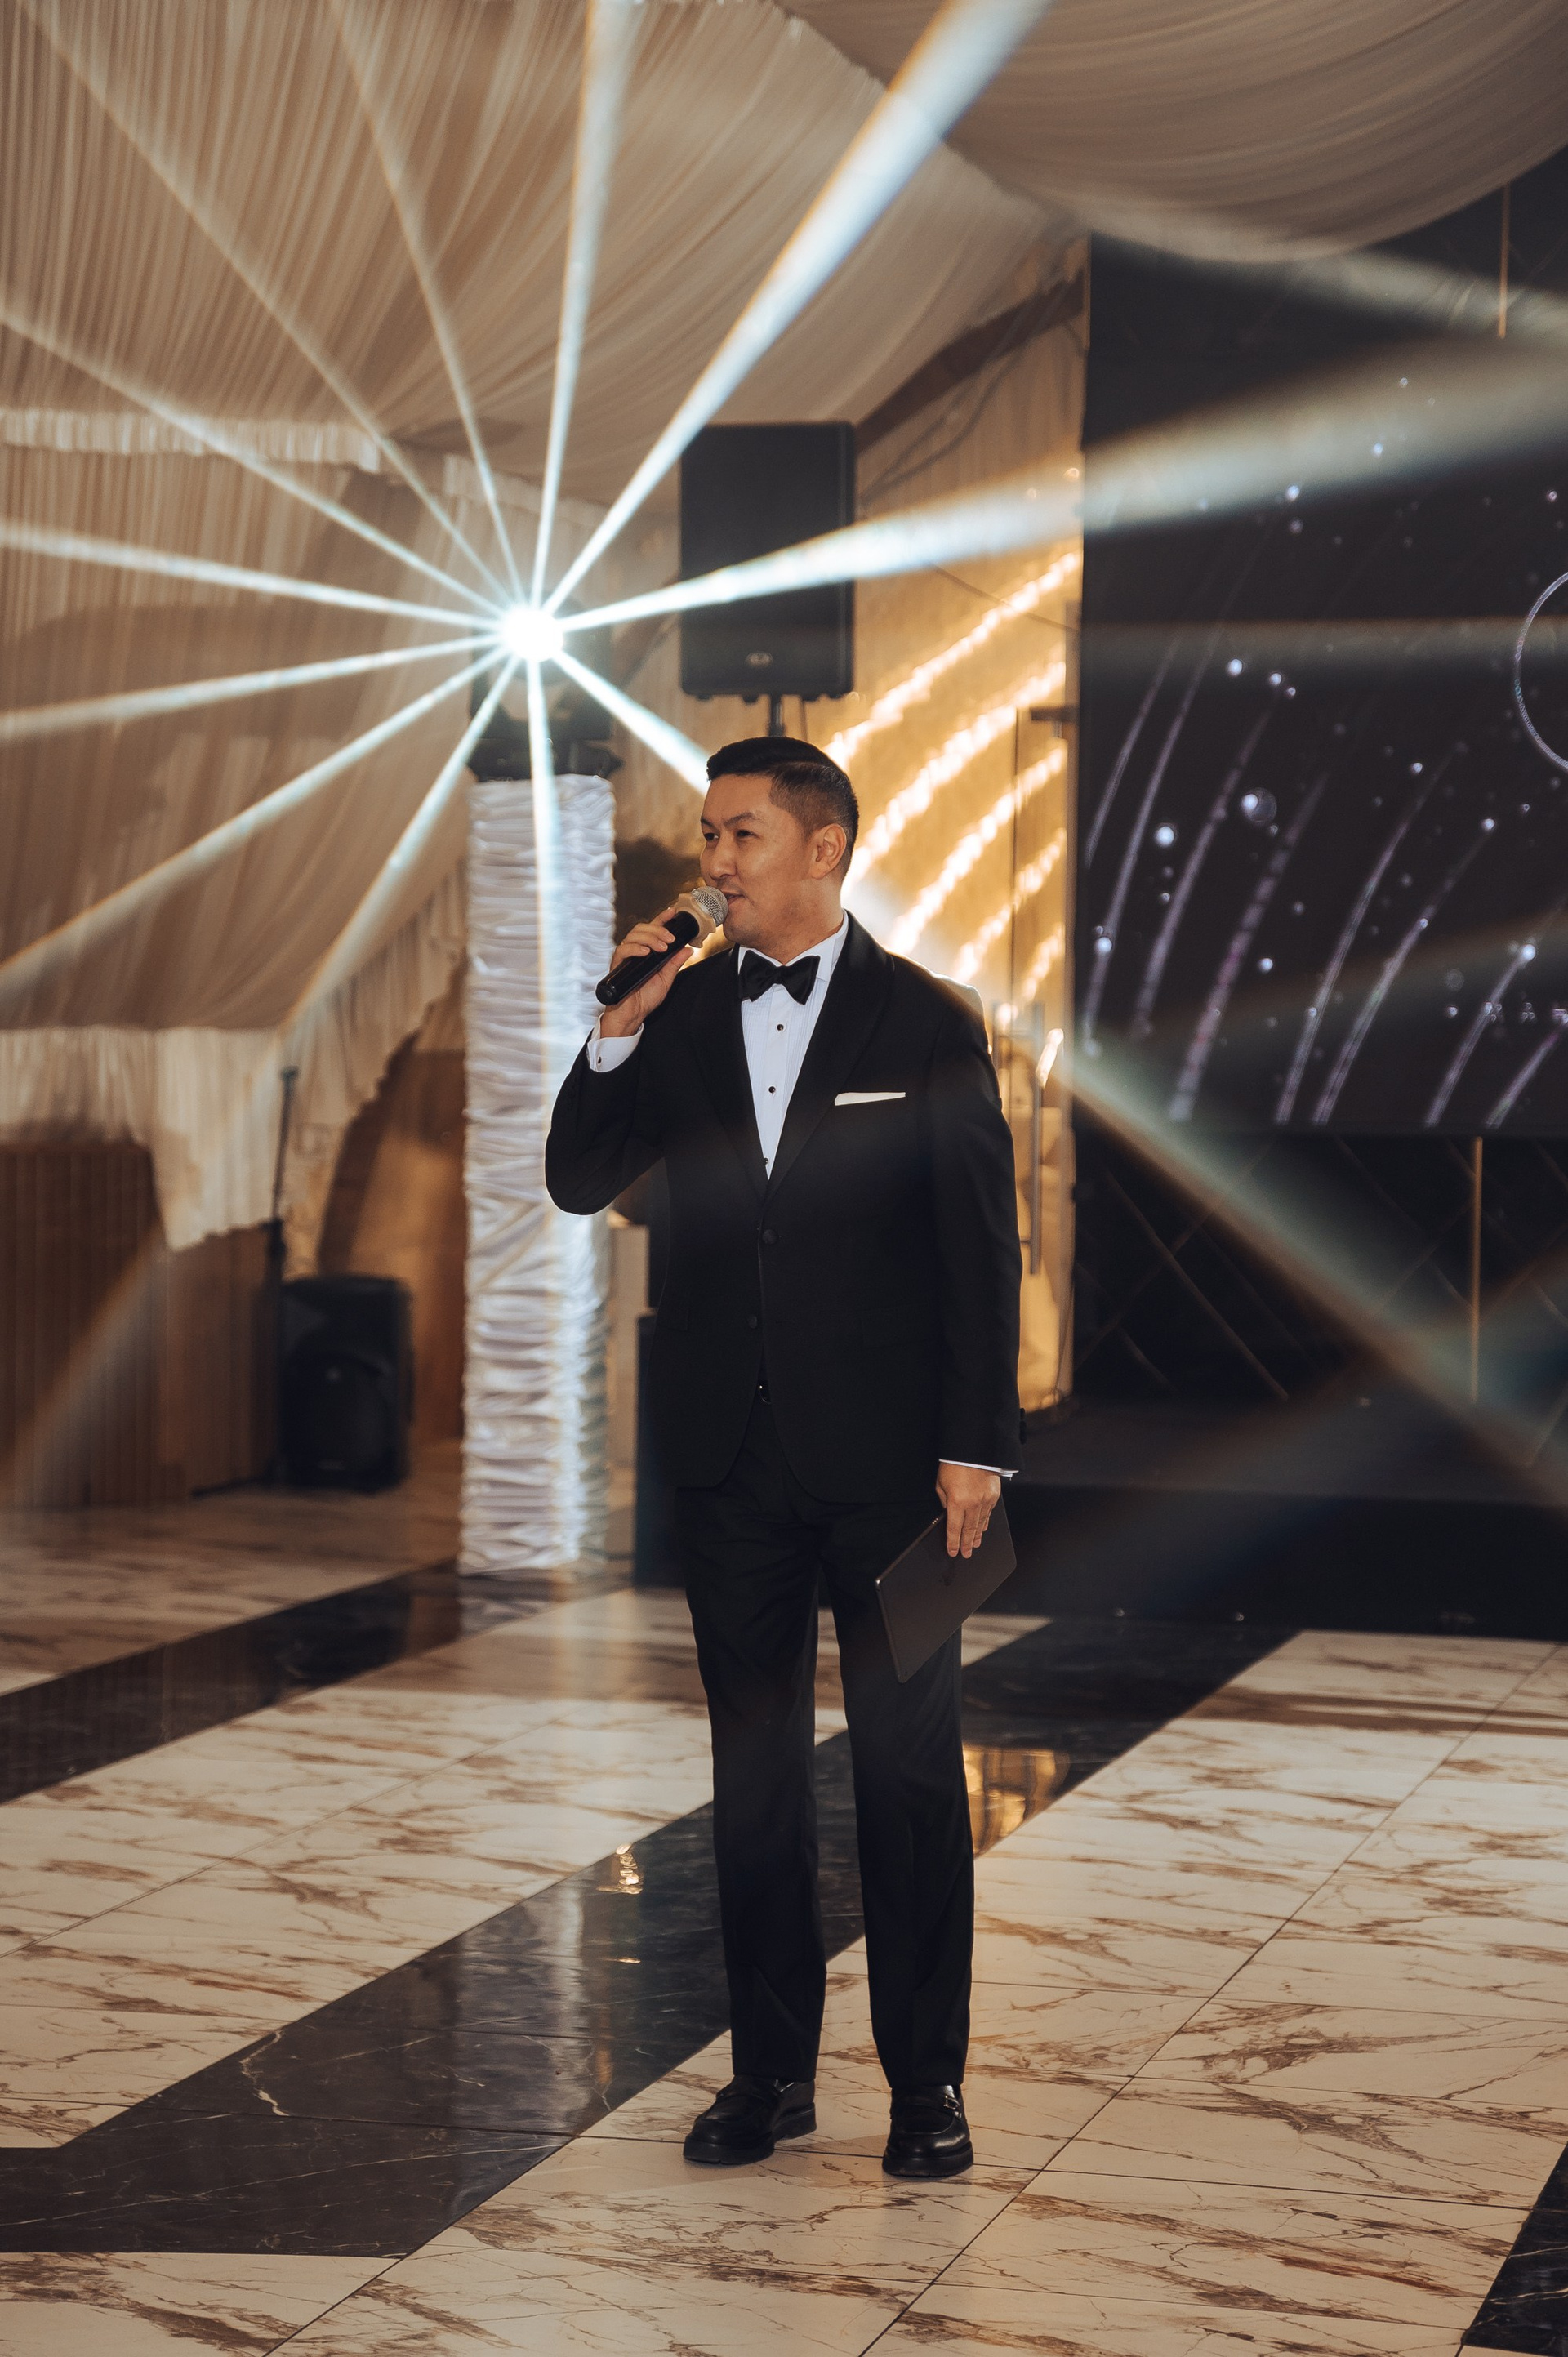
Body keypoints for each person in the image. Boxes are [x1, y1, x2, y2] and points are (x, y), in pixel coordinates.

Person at [546, 735, 1022, 2179]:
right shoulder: (682, 1012)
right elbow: (577, 1176)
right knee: (750, 1776)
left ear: (826, 848)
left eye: (739, 834)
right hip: (728, 1460)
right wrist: (617, 1026)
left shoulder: (927, 1019)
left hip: (902, 1474)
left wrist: (976, 1448)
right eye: (708, 834)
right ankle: (767, 2076)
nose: (714, 862)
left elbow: (979, 1249)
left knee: (909, 1779)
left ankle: (927, 2086)